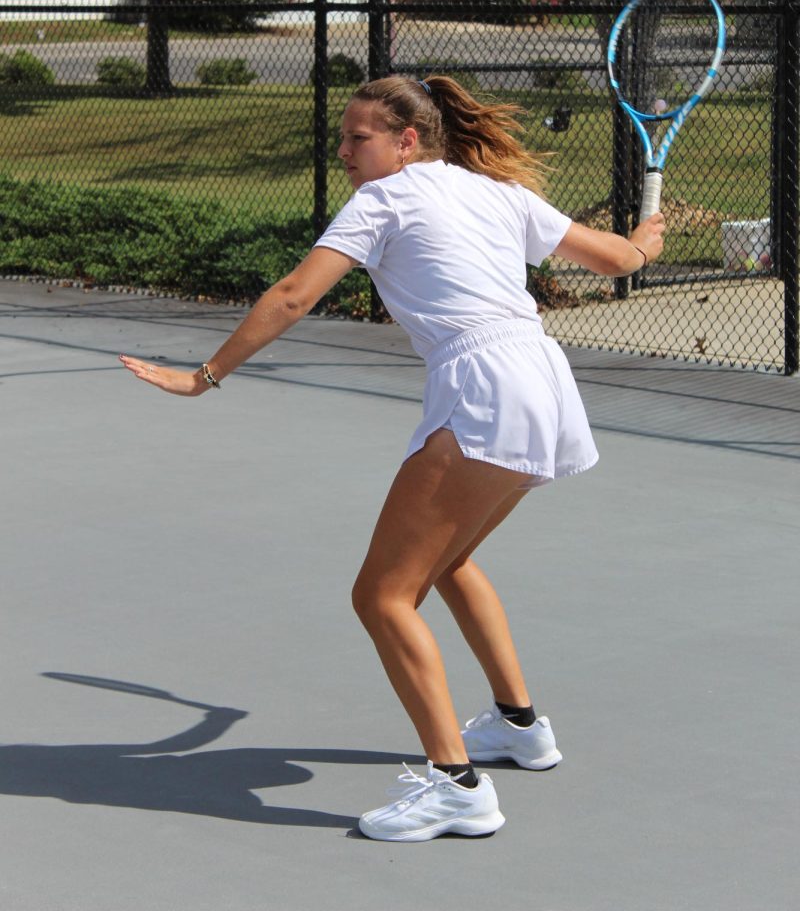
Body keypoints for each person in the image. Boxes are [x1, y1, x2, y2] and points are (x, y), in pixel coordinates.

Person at [120, 74, 665, 843]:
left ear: (407, 142)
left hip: (483, 384)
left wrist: (204, 376)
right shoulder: (493, 192)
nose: (343, 151)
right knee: (448, 562)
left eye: (359, 138)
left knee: (381, 597)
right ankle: (519, 727)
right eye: (342, 137)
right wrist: (645, 243)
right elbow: (613, 260)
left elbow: (291, 296)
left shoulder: (385, 200)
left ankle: (456, 785)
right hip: (543, 381)